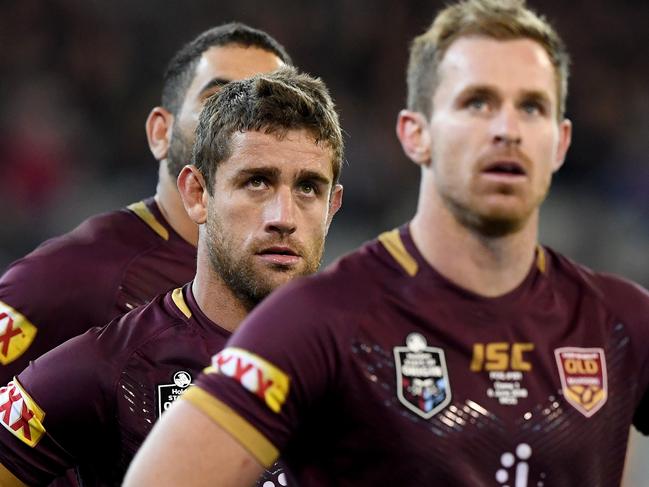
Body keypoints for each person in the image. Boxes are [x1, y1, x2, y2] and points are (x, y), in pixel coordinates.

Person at [124, 1, 649, 486]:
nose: (507, 129)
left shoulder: (622, 320)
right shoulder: (318, 321)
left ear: (559, 142)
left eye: (532, 107)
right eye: (477, 103)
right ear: (415, 133)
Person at [0, 67, 344, 486]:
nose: (283, 218)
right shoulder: (104, 368)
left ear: (332, 206)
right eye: (257, 181)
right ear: (197, 194)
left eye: (309, 188)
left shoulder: (370, 368)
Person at [0, 22, 291, 382]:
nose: (248, 124)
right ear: (160, 133)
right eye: (218, 100)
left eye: (272, 108)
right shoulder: (69, 278)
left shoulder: (294, 288)